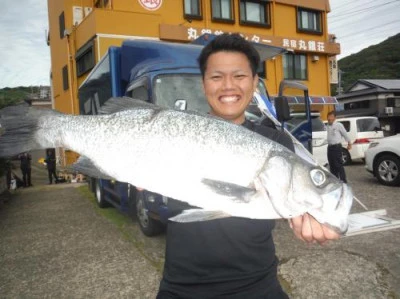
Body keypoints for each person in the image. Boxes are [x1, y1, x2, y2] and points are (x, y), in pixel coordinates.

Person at [156, 34, 340, 299]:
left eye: (239, 76)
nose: (228, 86)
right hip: (182, 288)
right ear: (203, 83)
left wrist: (313, 213)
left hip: (259, 286)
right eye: (217, 77)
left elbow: (294, 197)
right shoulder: (175, 133)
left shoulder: (275, 142)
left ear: (255, 82)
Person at [326, 111, 352, 183]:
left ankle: (343, 180)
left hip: (336, 147)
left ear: (334, 117)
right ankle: (335, 180)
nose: (329, 118)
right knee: (332, 165)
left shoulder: (338, 125)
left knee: (338, 164)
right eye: (328, 117)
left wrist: (349, 143)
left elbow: (345, 134)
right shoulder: (328, 125)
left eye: (331, 116)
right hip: (330, 147)